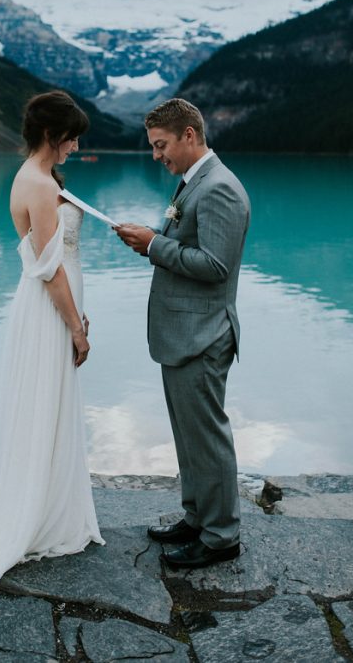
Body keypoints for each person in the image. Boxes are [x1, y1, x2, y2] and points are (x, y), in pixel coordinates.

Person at [0, 90, 104, 594]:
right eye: (72, 136)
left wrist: (78, 308)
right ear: (53, 135)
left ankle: (47, 501)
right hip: (49, 309)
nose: (76, 145)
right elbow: (50, 269)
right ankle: (36, 513)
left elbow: (57, 265)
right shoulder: (39, 185)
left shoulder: (36, 177)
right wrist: (75, 325)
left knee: (46, 404)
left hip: (52, 305)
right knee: (43, 404)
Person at [115, 98, 250, 570]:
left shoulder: (219, 189)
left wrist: (154, 245)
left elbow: (215, 266)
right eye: (153, 146)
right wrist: (151, 236)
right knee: (188, 435)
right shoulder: (194, 183)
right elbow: (189, 243)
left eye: (161, 145)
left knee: (207, 437)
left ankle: (220, 537)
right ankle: (196, 517)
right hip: (184, 333)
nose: (156, 155)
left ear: (189, 135)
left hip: (203, 335)